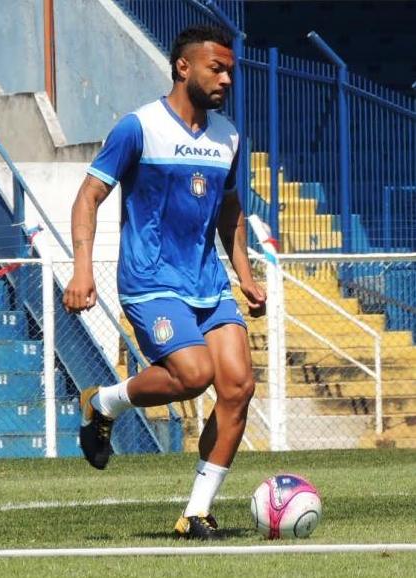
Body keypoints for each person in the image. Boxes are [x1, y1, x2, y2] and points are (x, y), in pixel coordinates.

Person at [63, 24, 266, 540]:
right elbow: (88, 196)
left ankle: (195, 513)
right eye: (215, 68)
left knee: (238, 386)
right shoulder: (139, 127)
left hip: (207, 282)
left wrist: (245, 275)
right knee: (194, 373)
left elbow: (230, 209)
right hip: (151, 282)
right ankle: (103, 403)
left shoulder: (229, 136)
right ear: (184, 67)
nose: (225, 79)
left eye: (230, 71)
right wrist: (83, 269)